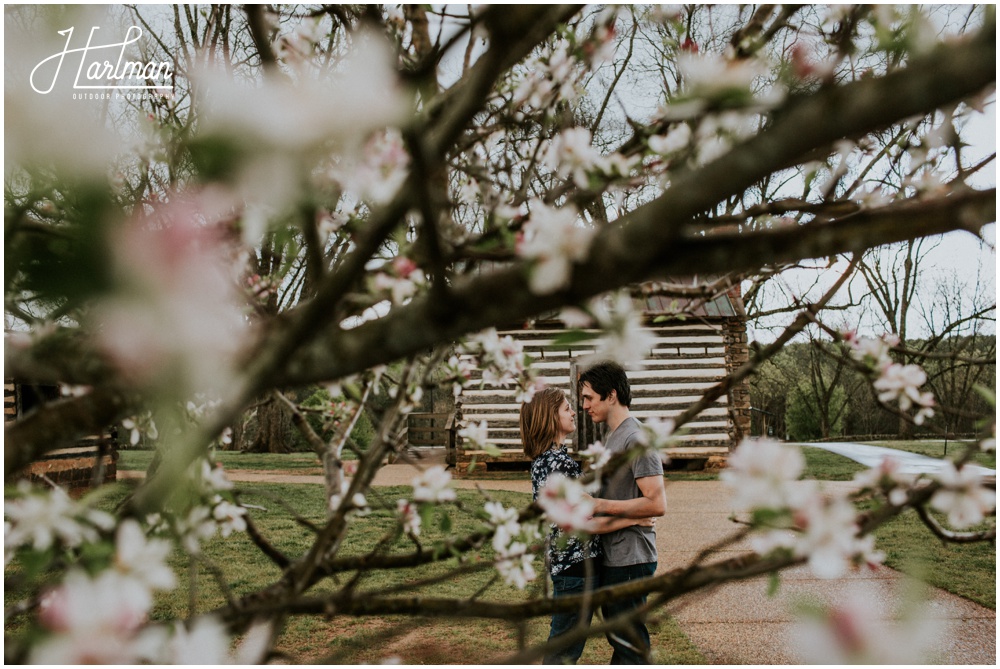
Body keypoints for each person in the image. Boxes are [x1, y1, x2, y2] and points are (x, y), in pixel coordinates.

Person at [520, 387, 654, 665]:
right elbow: (580, 524)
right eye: (566, 407)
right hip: (576, 571)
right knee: (563, 653)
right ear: (550, 416)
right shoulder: (557, 464)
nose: (573, 411)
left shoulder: (547, 461)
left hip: (573, 570)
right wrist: (635, 517)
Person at [579, 361, 666, 665]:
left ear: (611, 394)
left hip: (631, 557)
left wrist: (599, 504)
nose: (584, 405)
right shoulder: (613, 437)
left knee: (630, 646)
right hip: (615, 556)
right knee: (623, 642)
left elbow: (657, 503)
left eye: (589, 397)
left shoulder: (636, 438)